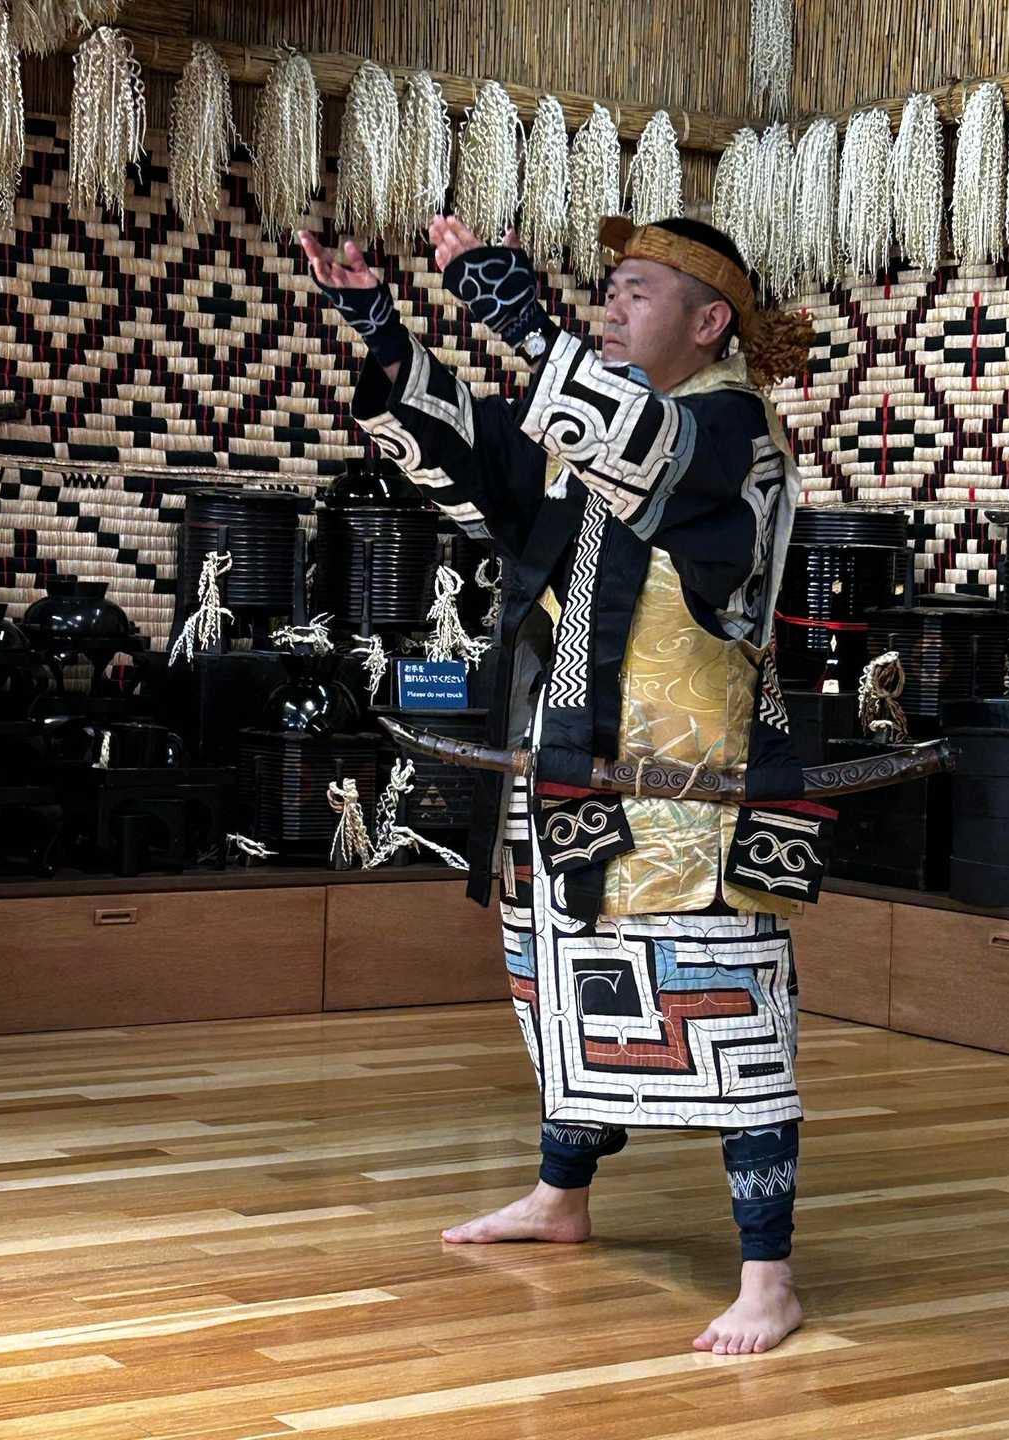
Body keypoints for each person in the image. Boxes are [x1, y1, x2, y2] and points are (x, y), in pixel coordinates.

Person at [298, 212, 810, 1355]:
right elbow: (478, 461)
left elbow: (650, 455)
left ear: (708, 322)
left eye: (637, 292)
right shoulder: (600, 420)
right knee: (561, 987)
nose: (611, 306)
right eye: (607, 289)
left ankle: (767, 1275)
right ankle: (560, 1196)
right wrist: (379, 327)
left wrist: (528, 325)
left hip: (688, 779)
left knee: (725, 1005)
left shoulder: (736, 430)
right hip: (569, 756)